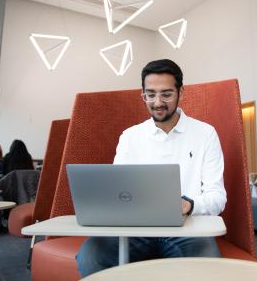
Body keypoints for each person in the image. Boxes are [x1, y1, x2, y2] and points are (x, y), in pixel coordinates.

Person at [76, 59, 227, 277]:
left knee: (206, 261)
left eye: (166, 94)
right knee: (91, 255)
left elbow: (217, 197)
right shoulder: (130, 136)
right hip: (136, 230)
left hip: (186, 229)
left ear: (181, 93)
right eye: (151, 94)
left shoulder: (205, 134)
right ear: (143, 95)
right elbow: (117, 192)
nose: (157, 102)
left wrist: (188, 204)